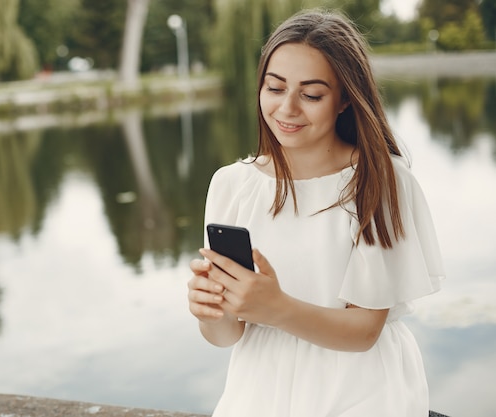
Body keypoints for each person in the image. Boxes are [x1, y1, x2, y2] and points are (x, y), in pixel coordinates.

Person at [187, 9, 445, 417]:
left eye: (310, 94)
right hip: (259, 390)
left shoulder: (378, 179)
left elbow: (364, 331)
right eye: (274, 88)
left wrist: (276, 307)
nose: (287, 109)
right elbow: (226, 335)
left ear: (344, 98)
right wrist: (209, 310)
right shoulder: (231, 185)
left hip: (360, 388)